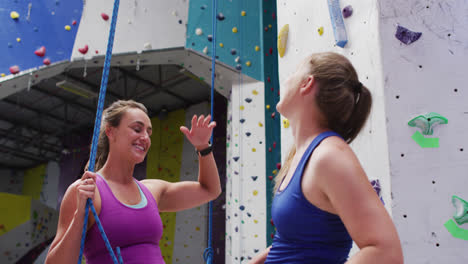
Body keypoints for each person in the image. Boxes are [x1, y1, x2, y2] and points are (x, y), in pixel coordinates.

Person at [249, 52, 403, 264]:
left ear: (307, 83)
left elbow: (387, 253)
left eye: (294, 73)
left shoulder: (329, 156)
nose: (286, 80)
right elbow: (296, 242)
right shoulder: (303, 155)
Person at [45, 100, 221, 264]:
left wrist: (203, 148)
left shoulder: (151, 190)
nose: (145, 138)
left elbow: (210, 190)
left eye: (148, 132)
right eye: (137, 129)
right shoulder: (86, 190)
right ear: (111, 131)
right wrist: (79, 215)